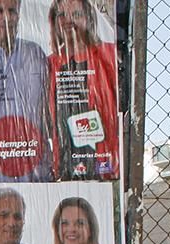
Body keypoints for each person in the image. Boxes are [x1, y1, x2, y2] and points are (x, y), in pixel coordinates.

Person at [0, 0, 52, 183]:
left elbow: (47, 112)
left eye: (12, 11)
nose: (7, 18)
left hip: (35, 175)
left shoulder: (35, 54)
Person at [46, 0, 119, 180]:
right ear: (53, 23)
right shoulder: (49, 64)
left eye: (76, 14)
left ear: (88, 19)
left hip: (103, 161)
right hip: (64, 162)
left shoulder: (108, 55)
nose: (69, 21)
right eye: (62, 15)